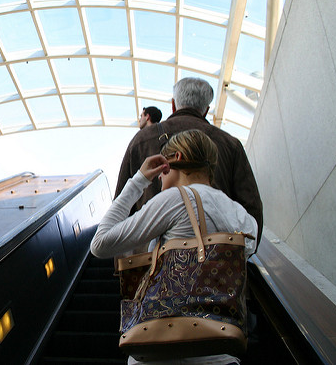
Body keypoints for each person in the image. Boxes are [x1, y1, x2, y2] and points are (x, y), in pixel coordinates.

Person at [91, 129, 258, 365]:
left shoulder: (174, 200)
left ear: (176, 158)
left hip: (159, 352)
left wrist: (139, 180)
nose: (159, 178)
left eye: (161, 171)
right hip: (221, 353)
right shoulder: (241, 215)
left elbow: (100, 243)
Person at [115, 77, 263, 248]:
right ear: (206, 110)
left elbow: (121, 206)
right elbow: (252, 208)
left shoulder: (142, 140)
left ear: (173, 105)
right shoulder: (230, 144)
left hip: (148, 261)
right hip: (217, 262)